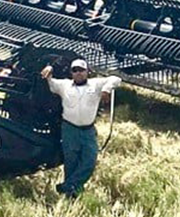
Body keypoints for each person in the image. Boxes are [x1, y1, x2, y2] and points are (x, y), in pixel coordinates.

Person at [42, 58, 121, 199]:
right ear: (71, 73)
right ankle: (72, 194)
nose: (78, 73)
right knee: (71, 162)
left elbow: (116, 79)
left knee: (89, 161)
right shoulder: (64, 85)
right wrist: (49, 69)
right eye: (75, 70)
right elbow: (50, 82)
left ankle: (67, 186)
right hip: (69, 129)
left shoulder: (95, 84)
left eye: (81, 70)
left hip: (88, 130)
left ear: (87, 72)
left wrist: (106, 90)